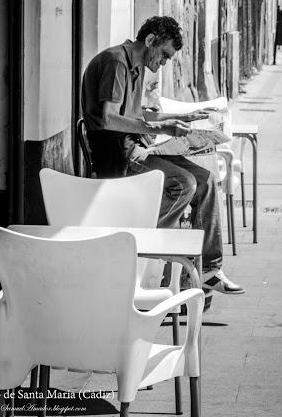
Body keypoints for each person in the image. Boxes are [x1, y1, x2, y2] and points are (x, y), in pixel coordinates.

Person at [81, 16, 245, 295]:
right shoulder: (116, 62)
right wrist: (159, 127)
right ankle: (141, 248)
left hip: (137, 147)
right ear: (150, 41)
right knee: (184, 184)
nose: (164, 63)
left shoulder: (135, 64)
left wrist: (184, 116)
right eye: (165, 55)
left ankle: (209, 270)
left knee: (205, 180)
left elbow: (137, 113)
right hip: (119, 156)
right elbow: (109, 118)